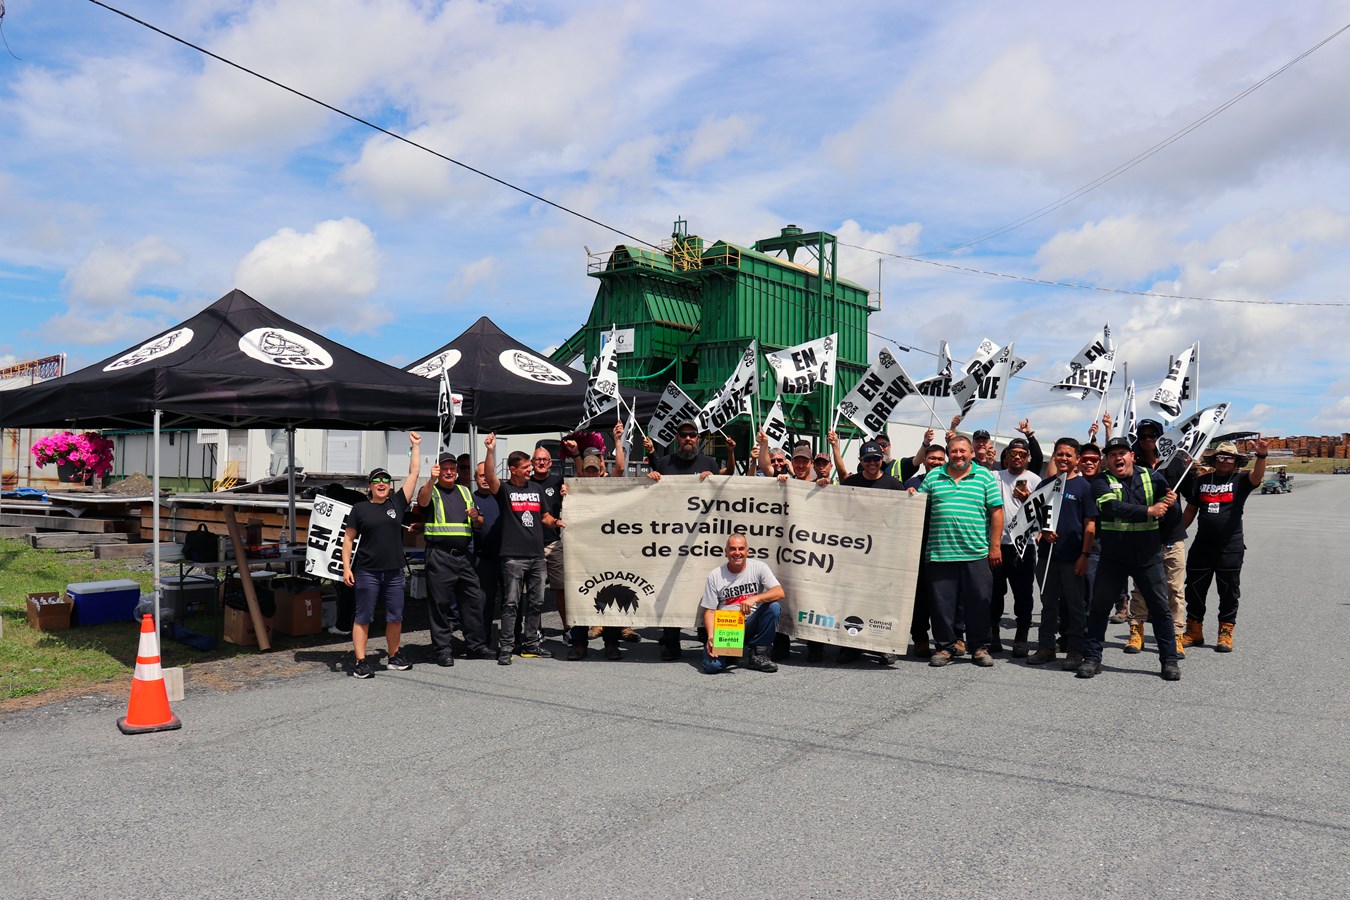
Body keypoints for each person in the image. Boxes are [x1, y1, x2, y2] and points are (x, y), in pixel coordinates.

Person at [1079, 436, 1182, 681]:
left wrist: (1172, 504)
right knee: (1099, 608)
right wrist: (1149, 510)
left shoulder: (1153, 477)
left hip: (1148, 557)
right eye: (1112, 454)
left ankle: (1169, 661)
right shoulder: (1101, 482)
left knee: (1160, 609)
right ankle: (1092, 658)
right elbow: (1110, 507)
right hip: (1113, 558)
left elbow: (1168, 515)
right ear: (1107, 460)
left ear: (1132, 456)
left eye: (1122, 453)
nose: (1118, 458)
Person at [912, 434, 1004, 668]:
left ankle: (980, 647)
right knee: (942, 605)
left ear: (971, 453)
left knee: (980, 602)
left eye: (963, 451)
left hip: (976, 553)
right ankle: (945, 647)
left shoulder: (983, 476)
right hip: (940, 553)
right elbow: (919, 507)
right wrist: (913, 498)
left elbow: (996, 512)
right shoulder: (934, 476)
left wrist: (994, 547)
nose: (959, 455)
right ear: (948, 453)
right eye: (954, 451)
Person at [342, 433, 421, 678]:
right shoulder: (360, 508)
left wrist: (415, 446)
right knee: (363, 616)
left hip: (394, 571)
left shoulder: (397, 504)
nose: (381, 482)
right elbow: (348, 540)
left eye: (385, 479)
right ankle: (361, 661)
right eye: (377, 479)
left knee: (395, 616)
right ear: (370, 485)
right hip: (366, 571)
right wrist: (347, 568)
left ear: (389, 484)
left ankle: (394, 656)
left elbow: (414, 474)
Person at [482, 432, 565, 665]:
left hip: (537, 556)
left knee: (537, 603)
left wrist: (556, 522)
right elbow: (489, 475)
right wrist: (490, 450)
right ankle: (506, 648)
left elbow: (545, 516)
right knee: (510, 604)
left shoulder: (536, 490)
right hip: (512, 558)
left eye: (530, 466)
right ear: (513, 469)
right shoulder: (505, 490)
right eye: (526, 467)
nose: (530, 470)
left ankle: (531, 644)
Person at [1181, 439, 1267, 652]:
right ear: (1215, 460)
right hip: (1202, 545)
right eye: (1221, 457)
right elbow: (1191, 510)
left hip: (1231, 546)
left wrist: (1262, 456)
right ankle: (1194, 630)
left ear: (1236, 461)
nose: (1225, 461)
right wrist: (1176, 532)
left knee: (1229, 591)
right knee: (1194, 588)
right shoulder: (1202, 481)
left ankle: (1225, 633)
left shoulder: (1241, 480)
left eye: (1230, 458)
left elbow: (1257, 476)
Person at [643, 420, 719, 659]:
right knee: (672, 590)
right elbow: (655, 497)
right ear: (677, 437)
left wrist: (713, 480)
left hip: (703, 539)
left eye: (692, 435)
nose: (688, 438)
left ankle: (710, 638)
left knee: (705, 587)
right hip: (672, 539)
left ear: (698, 438)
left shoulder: (710, 463)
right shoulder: (666, 463)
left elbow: (724, 495)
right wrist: (653, 477)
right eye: (684, 435)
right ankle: (671, 642)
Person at [1122, 418, 1190, 657]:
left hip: (1172, 536)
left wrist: (1180, 522)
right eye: (1143, 436)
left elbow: (1193, 498)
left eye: (1153, 434)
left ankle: (1176, 635)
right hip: (1143, 535)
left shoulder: (1177, 462)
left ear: (1161, 436)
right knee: (1141, 587)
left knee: (1175, 588)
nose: (1148, 439)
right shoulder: (1134, 464)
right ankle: (1136, 630)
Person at [1027, 438, 1097, 670]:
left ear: (1077, 459)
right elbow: (1034, 518)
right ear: (1054, 456)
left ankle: (1076, 651)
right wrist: (1044, 531)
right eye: (1060, 454)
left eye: (1069, 455)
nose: (1064, 458)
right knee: (1048, 604)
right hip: (1047, 557)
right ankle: (1046, 647)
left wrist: (1084, 555)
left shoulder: (1085, 488)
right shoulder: (1045, 485)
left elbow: (1090, 525)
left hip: (1073, 558)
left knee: (1076, 605)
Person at [417, 452, 487, 666]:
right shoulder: (432, 490)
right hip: (440, 556)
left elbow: (479, 522)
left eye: (453, 469)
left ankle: (476, 646)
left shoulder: (465, 491)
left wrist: (476, 518)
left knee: (474, 600)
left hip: (464, 556)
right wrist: (430, 479)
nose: (449, 472)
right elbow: (422, 501)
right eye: (445, 469)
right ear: (439, 471)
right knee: (440, 606)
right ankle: (443, 651)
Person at [699, 535, 785, 674]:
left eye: (741, 549)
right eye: (732, 549)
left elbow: (779, 592)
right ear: (726, 551)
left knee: (773, 607)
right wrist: (711, 636)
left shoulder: (759, 567)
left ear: (747, 551)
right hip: (727, 629)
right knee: (712, 667)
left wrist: (755, 598)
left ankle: (758, 654)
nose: (737, 552)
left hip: (751, 623)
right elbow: (710, 611)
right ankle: (731, 652)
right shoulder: (715, 575)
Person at [991, 437, 1040, 656]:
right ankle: (993, 635)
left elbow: (1044, 515)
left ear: (1028, 458)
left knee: (1023, 594)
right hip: (998, 544)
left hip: (1024, 545)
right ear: (1006, 456)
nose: (1017, 457)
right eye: (1013, 454)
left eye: (1021, 454)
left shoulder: (1035, 480)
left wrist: (1029, 498)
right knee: (994, 593)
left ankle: (1021, 637)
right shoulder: (994, 477)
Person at [471, 461, 503, 654]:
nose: (484, 479)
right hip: (483, 558)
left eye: (487, 475)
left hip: (506, 555)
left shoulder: (501, 496)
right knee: (484, 601)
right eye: (480, 476)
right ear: (475, 479)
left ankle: (512, 639)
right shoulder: (470, 498)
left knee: (511, 600)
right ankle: (483, 641)